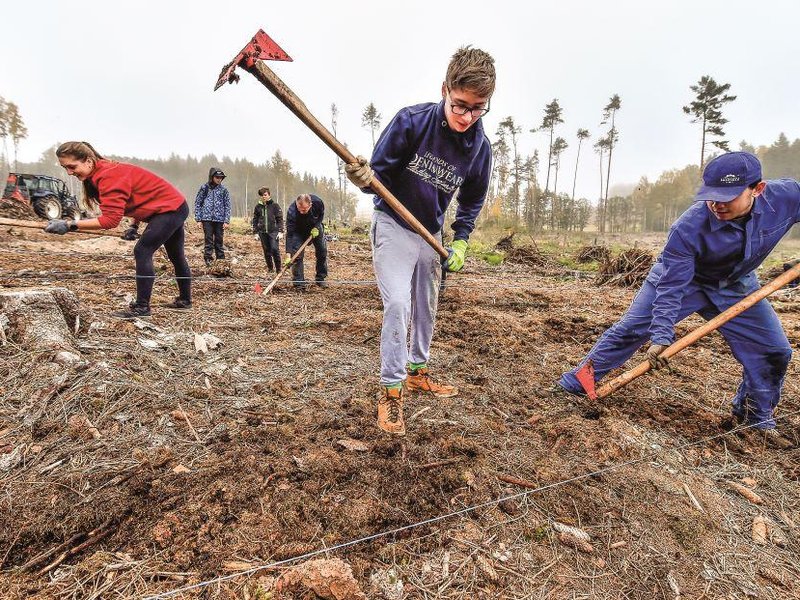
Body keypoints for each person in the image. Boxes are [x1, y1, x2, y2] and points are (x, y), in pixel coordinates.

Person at [558, 151, 799, 449]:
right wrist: (661, 335)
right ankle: (575, 384)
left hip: (737, 284)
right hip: (684, 280)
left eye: (728, 197)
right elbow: (671, 287)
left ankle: (754, 415)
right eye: (711, 195)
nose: (716, 204)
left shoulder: (787, 196)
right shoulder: (688, 227)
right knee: (632, 329)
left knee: (774, 350)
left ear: (757, 189)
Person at [345, 46, 495, 435]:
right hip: (393, 224)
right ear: (444, 89)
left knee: (426, 306)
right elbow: (375, 175)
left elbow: (474, 197)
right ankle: (391, 390)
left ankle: (417, 371)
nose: (467, 117)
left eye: (479, 108)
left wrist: (460, 240)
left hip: (431, 232)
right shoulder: (411, 122)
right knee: (398, 304)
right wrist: (363, 178)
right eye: (460, 105)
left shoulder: (480, 148)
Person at [45, 141, 192, 319]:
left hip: (170, 209)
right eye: (64, 167)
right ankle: (185, 301)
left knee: (143, 250)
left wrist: (69, 225)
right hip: (172, 206)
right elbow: (140, 197)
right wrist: (134, 225)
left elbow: (110, 220)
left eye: (72, 166)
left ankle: (142, 308)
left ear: (89, 161)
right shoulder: (103, 172)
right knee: (176, 255)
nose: (69, 172)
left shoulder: (108, 177)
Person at [284, 194, 327, 288]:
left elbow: (321, 215)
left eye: (304, 210)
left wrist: (316, 227)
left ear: (310, 205)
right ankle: (299, 283)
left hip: (314, 227)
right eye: (299, 209)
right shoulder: (292, 211)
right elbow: (290, 234)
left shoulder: (318, 202)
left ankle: (320, 278)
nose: (301, 212)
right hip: (298, 231)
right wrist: (288, 254)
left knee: (322, 252)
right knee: (297, 256)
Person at [195, 167, 231, 266]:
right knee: (208, 240)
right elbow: (198, 203)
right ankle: (208, 260)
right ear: (212, 177)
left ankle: (221, 261)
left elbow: (227, 205)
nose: (219, 179)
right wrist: (198, 219)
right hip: (206, 219)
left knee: (219, 240)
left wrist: (226, 220)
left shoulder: (224, 190)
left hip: (220, 220)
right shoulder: (204, 188)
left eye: (221, 177)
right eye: (217, 177)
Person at [251, 187, 284, 271]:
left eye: (265, 195)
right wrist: (255, 232)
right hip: (262, 232)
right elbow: (255, 219)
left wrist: (280, 231)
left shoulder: (275, 206)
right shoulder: (258, 207)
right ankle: (270, 268)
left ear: (269, 195)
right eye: (262, 195)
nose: (263, 197)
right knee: (266, 251)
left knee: (275, 249)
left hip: (273, 232)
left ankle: (278, 269)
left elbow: (280, 219)